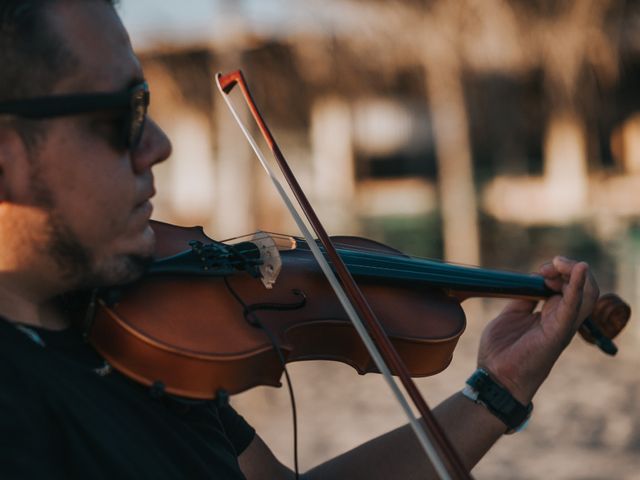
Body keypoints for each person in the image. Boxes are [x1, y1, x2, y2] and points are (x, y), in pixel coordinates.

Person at [0, 0, 600, 478]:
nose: (158, 143)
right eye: (124, 114)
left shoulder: (134, 331)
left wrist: (498, 392)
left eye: (149, 105)